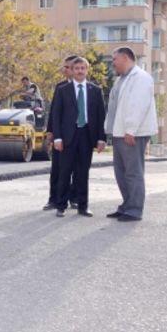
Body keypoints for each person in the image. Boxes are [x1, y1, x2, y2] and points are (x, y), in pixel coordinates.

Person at [104, 47, 158, 222]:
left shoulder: (141, 78)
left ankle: (134, 210)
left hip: (132, 133)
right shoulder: (121, 79)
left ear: (126, 58)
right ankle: (127, 205)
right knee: (121, 172)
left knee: (133, 172)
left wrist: (130, 130)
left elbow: (138, 105)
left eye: (115, 59)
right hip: (120, 132)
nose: (113, 63)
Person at [51, 56, 106, 218]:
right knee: (64, 172)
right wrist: (57, 138)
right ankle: (60, 205)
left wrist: (101, 138)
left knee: (83, 173)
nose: (80, 71)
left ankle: (83, 206)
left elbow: (101, 116)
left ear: (87, 70)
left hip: (86, 136)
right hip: (67, 137)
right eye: (77, 68)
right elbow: (56, 115)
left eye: (83, 68)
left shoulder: (95, 91)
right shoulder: (62, 90)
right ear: (72, 71)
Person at [43, 55, 79, 211]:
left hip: (79, 136)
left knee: (77, 169)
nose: (64, 69)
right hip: (61, 135)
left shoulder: (88, 87)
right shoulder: (60, 86)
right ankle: (54, 199)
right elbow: (54, 111)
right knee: (57, 169)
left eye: (67, 67)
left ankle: (75, 198)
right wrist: (50, 131)